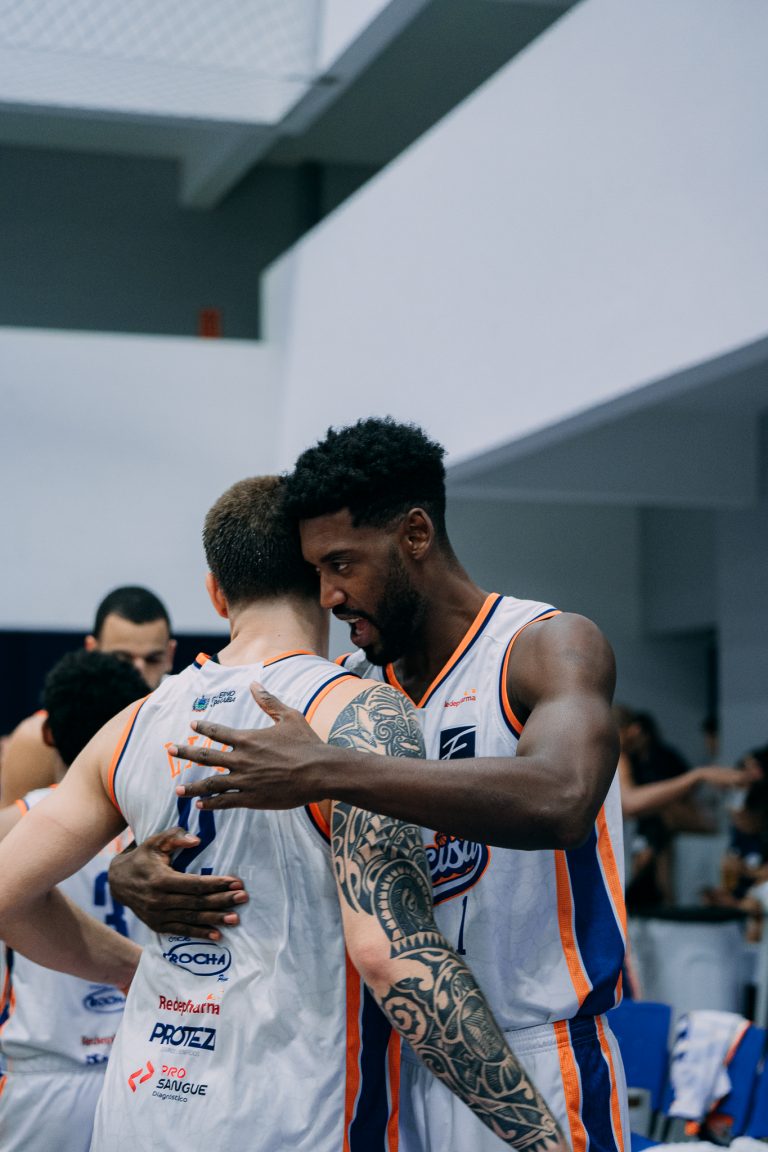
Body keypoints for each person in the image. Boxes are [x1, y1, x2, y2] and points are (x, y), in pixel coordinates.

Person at [0, 476, 564, 1152]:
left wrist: (130, 966)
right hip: (292, 1116)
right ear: (323, 578)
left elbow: (6, 893)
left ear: (216, 593)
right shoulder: (359, 710)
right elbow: (390, 954)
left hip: (140, 1107)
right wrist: (541, 1138)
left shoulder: (132, 724)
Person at [120, 418, 630, 1152]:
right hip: (393, 1060)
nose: (328, 595)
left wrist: (330, 767)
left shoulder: (544, 645)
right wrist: (133, 867)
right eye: (316, 572)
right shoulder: (352, 691)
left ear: (415, 534)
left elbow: (561, 799)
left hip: (538, 1054)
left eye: (342, 564)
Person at [0, 651, 149, 1152]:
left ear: (47, 732)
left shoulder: (17, 824)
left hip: (42, 1073)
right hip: (143, 1071)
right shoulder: (160, 817)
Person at [0, 586, 175, 806]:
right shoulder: (37, 741)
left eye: (152, 659)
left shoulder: (187, 719)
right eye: (122, 658)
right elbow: (13, 827)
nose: (138, 670)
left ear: (170, 655)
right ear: (92, 649)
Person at [615, 706, 754, 909]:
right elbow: (630, 803)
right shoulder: (617, 754)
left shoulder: (655, 757)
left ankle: (665, 898)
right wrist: (698, 775)